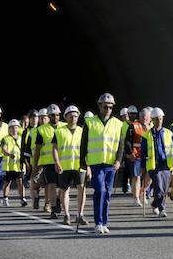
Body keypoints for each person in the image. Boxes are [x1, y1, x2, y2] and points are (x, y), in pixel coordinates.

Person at [80, 93, 125, 235]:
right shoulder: (89, 122)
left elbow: (121, 144)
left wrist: (118, 160)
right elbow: (84, 143)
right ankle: (98, 222)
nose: (108, 109)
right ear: (99, 106)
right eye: (105, 107)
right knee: (100, 191)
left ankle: (104, 222)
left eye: (111, 107)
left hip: (111, 163)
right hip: (95, 163)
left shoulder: (118, 124)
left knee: (108, 193)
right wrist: (83, 163)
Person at [53, 106, 89, 225]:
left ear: (78, 116)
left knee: (81, 189)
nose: (73, 118)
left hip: (80, 166)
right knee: (64, 190)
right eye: (70, 116)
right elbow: (55, 149)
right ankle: (66, 215)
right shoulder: (59, 131)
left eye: (75, 115)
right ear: (66, 117)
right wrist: (57, 162)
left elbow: (87, 150)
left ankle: (80, 215)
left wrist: (88, 166)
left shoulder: (82, 131)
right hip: (65, 166)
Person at [142, 107, 173, 218]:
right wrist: (143, 166)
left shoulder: (169, 133)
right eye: (156, 119)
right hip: (154, 165)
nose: (159, 121)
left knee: (164, 189)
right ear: (152, 120)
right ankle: (162, 208)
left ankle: (154, 204)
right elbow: (143, 151)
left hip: (166, 165)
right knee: (159, 187)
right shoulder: (147, 135)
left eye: (160, 119)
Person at [31, 107, 59, 215]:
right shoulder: (38, 131)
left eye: (45, 118)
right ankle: (43, 200)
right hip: (45, 161)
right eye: (41, 118)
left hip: (61, 162)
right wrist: (34, 165)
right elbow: (35, 149)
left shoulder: (62, 127)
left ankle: (52, 202)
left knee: (56, 186)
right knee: (45, 184)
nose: (43, 120)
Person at [125, 108, 150, 207]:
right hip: (136, 155)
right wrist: (130, 152)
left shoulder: (152, 127)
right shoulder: (133, 126)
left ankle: (142, 192)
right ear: (139, 117)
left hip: (149, 156)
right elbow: (127, 141)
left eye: (146, 116)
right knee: (137, 176)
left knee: (149, 176)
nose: (144, 118)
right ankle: (136, 198)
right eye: (142, 116)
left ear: (149, 118)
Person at [0, 120, 26, 207]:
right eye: (12, 128)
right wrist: (9, 154)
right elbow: (3, 149)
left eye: (16, 127)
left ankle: (22, 198)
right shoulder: (5, 139)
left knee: (20, 182)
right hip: (9, 166)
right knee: (8, 183)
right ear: (9, 129)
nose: (14, 129)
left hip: (19, 165)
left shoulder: (21, 138)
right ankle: (5, 198)